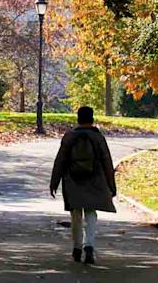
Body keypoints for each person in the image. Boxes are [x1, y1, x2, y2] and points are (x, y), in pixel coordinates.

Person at [49, 106, 116, 265]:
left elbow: (60, 161)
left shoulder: (69, 137)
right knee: (91, 212)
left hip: (73, 180)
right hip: (95, 179)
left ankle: (76, 248)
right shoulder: (98, 138)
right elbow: (107, 161)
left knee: (76, 214)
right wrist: (111, 185)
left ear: (78, 119)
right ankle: (89, 245)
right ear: (92, 119)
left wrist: (54, 182)